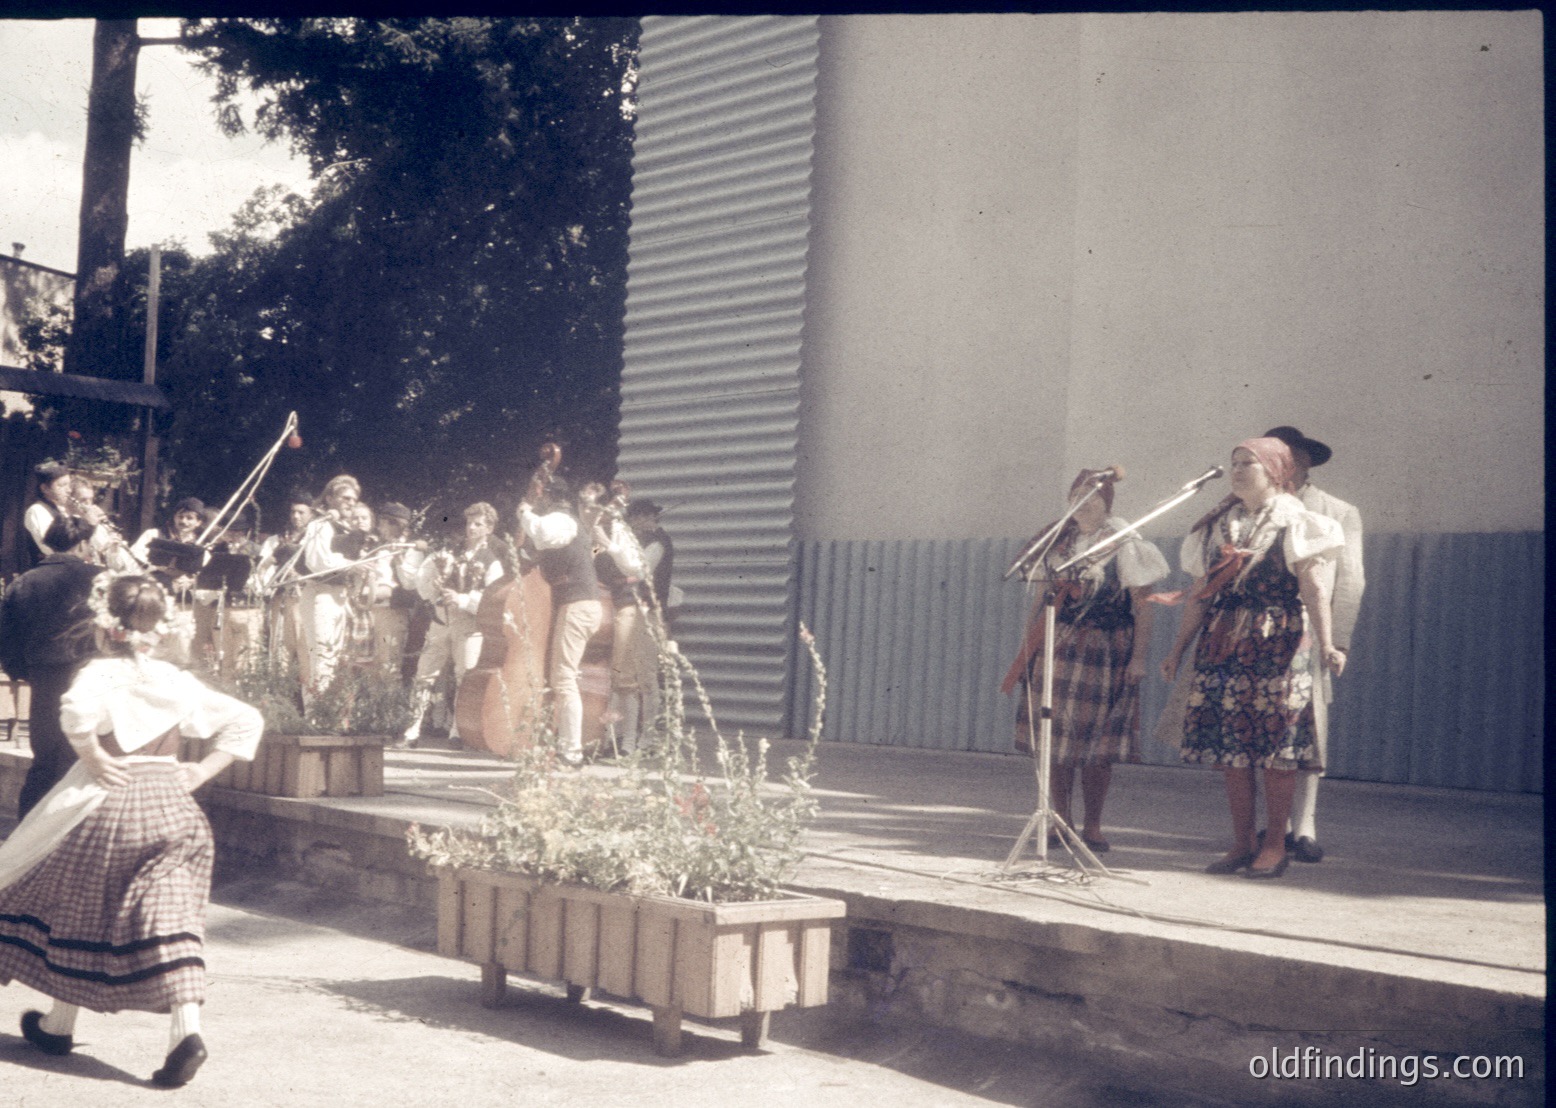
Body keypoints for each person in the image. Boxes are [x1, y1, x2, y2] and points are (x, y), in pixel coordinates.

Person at [0, 574, 263, 1088]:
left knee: (69, 897)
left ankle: (62, 1022)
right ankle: (175, 1031)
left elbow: (74, 712)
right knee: (170, 919)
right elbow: (246, 719)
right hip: (172, 806)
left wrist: (93, 754)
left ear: (106, 627)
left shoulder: (100, 673)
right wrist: (201, 771)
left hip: (111, 798)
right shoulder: (174, 679)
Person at [1160, 437, 1346, 879]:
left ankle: (1276, 844)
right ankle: (1242, 842)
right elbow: (1200, 597)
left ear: (1277, 472)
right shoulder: (1217, 527)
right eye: (1235, 463)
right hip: (1224, 643)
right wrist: (1176, 650)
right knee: (1232, 749)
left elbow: (1315, 588)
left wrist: (1326, 644)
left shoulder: (1299, 522)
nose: (1239, 470)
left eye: (1250, 464)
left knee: (1277, 748)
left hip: (1279, 642)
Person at [1000, 470, 1169, 851]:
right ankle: (1060, 821)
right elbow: (1041, 604)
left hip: (1107, 651)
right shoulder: (1058, 544)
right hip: (1059, 648)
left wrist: (1138, 658)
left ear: (1107, 503)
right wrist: (1029, 650)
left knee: (1098, 745)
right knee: (1055, 742)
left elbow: (1144, 606)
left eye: (1092, 495)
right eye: (1077, 494)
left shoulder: (1123, 543)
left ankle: (1093, 826)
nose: (1084, 501)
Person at [1263, 426, 1365, 864]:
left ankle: (1304, 827)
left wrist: (1335, 639)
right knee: (1266, 726)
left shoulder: (1338, 511)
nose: (1286, 467)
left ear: (1305, 463)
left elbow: (1351, 578)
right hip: (1262, 632)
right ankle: (1275, 825)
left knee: (1310, 729)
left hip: (1311, 630)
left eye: (1293, 459)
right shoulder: (1257, 507)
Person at [0, 518, 103, 818]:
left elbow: (6, 636)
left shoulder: (24, 582)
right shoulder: (101, 577)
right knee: (81, 755)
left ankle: (28, 830)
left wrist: (23, 671)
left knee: (45, 756)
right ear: (83, 543)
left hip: (45, 676)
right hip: (92, 673)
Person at [517, 476, 614, 766]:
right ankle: (560, 743)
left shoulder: (561, 519)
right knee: (562, 677)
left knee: (564, 678)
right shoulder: (572, 525)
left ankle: (571, 752)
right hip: (576, 604)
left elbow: (543, 533)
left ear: (547, 497)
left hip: (577, 605)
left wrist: (524, 511)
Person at [398, 502, 505, 749]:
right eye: (470, 522)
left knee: (463, 676)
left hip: (468, 624)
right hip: (441, 619)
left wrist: (463, 599)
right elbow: (421, 587)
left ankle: (457, 732)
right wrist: (433, 582)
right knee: (425, 672)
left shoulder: (492, 561)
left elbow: (493, 602)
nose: (472, 528)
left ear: (489, 528)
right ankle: (411, 730)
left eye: (478, 524)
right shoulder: (450, 552)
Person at [296, 475, 362, 702]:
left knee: (334, 657)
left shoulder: (344, 528)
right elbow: (318, 562)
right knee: (321, 655)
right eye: (345, 497)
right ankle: (315, 716)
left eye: (354, 499)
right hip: (320, 593)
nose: (351, 502)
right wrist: (353, 564)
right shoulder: (319, 525)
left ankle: (328, 714)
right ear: (330, 498)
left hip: (340, 596)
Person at [254, 491, 314, 682]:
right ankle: (279, 693)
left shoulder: (314, 539)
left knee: (303, 649)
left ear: (311, 514)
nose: (296, 516)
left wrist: (298, 576)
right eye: (293, 512)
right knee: (279, 649)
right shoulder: (276, 540)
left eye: (301, 512)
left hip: (304, 599)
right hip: (280, 599)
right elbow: (261, 568)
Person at [366, 502, 425, 680]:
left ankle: (388, 707)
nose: (379, 527)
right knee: (370, 665)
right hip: (370, 610)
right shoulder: (377, 546)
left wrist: (398, 557)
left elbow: (410, 583)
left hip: (392, 613)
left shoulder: (411, 550)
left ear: (394, 524)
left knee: (389, 665)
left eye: (383, 523)